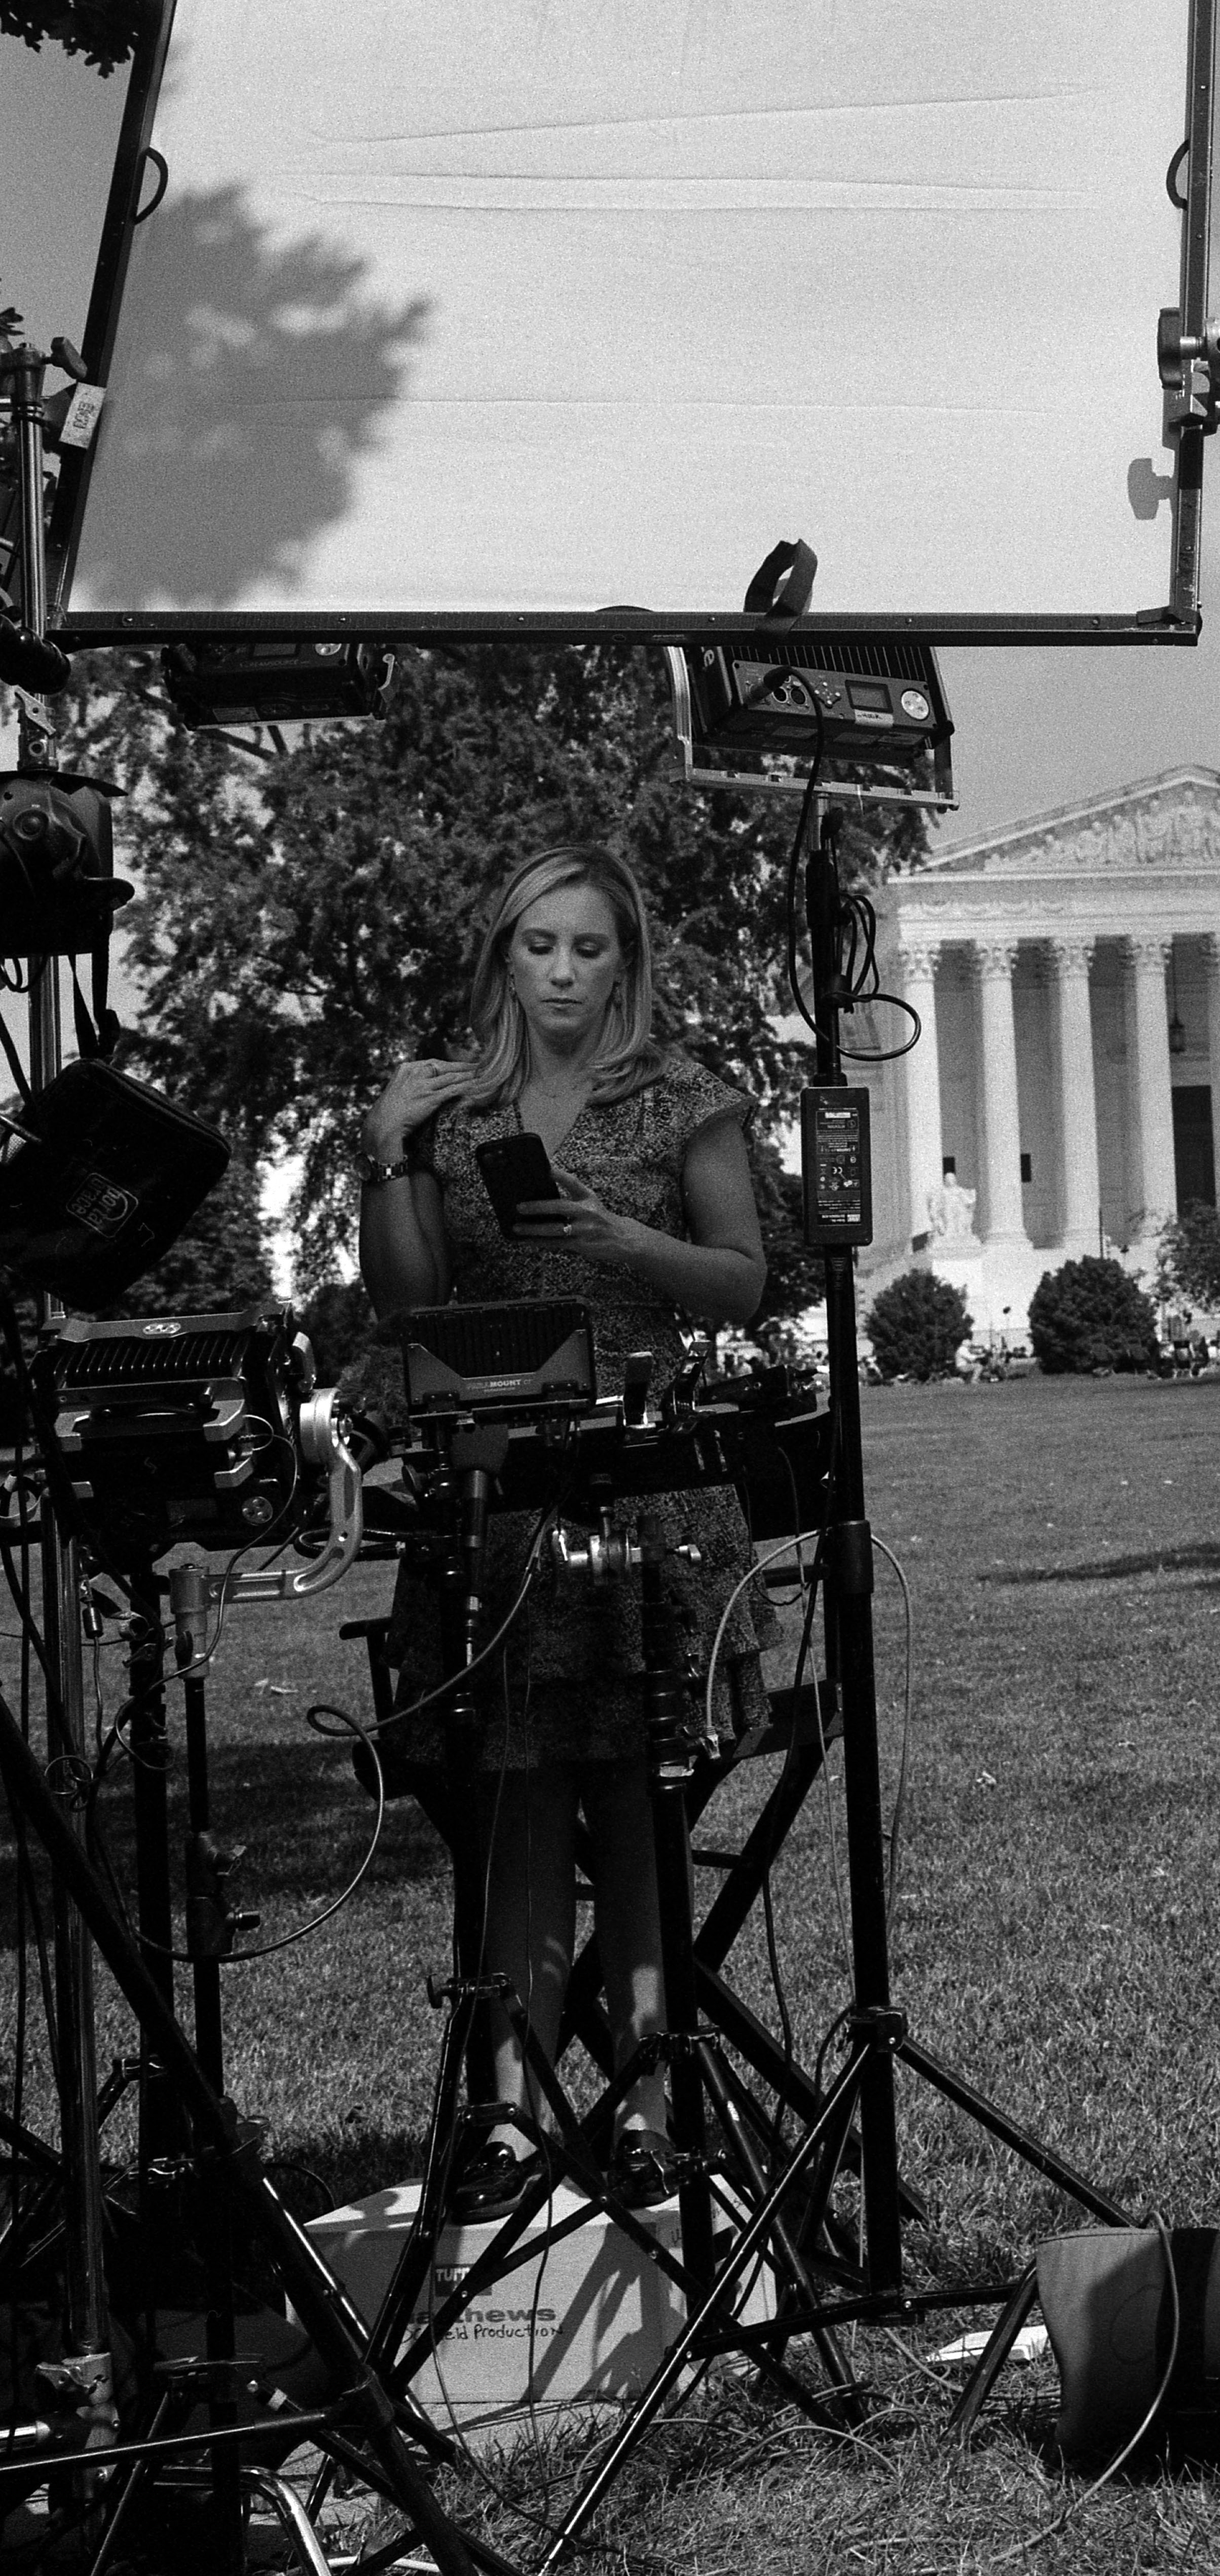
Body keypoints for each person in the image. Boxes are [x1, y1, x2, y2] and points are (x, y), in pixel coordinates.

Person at [361, 842, 771, 2212]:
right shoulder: (453, 1101)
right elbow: (410, 1304)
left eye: (588, 948)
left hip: (648, 1492)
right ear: (504, 954)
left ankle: (655, 2104)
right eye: (539, 944)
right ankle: (514, 2107)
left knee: (637, 1806)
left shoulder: (686, 1095)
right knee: (517, 1810)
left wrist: (616, 1243)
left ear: (625, 960)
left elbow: (741, 1284)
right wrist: (390, 1155)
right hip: (497, 1496)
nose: (562, 971)